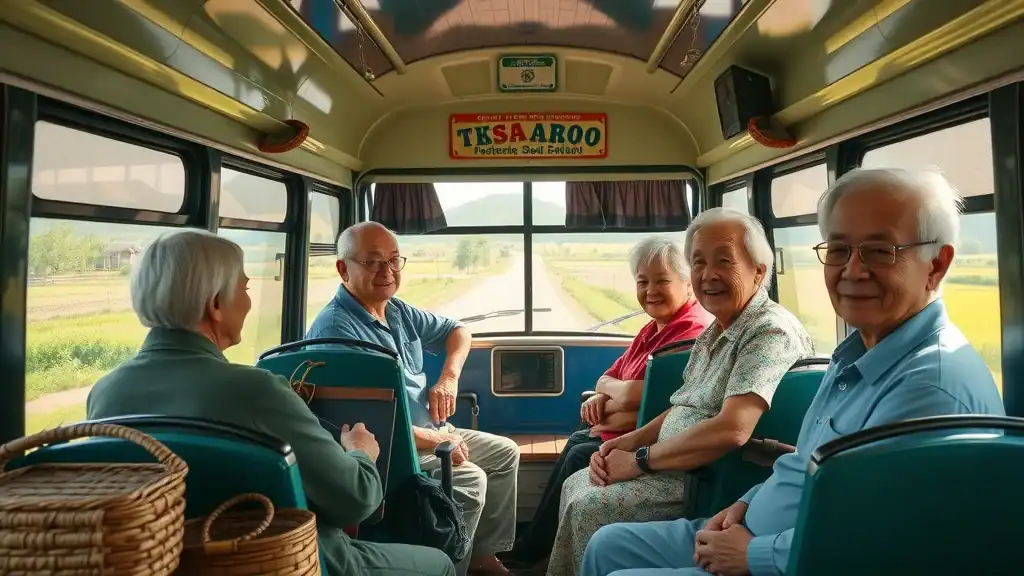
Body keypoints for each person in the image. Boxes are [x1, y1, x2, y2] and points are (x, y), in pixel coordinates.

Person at [579, 168, 1006, 576]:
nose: (853, 270)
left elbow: (877, 541)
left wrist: (753, 553)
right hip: (757, 528)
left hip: (790, 557)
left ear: (936, 265)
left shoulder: (927, 387)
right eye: (838, 250)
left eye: (880, 251)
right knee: (607, 545)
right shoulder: (856, 356)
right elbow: (802, 463)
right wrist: (745, 505)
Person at [86, 229, 455, 576]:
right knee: (439, 564)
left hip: (170, 562)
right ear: (216, 304)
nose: (248, 302)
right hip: (291, 560)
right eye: (245, 288)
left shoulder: (104, 393)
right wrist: (361, 452)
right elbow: (356, 501)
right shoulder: (256, 391)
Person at [544, 208, 815, 576]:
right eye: (699, 262)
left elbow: (732, 429)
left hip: (703, 477)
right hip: (673, 464)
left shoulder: (769, 331)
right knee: (578, 483)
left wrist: (639, 459)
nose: (708, 274)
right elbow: (684, 404)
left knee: (588, 504)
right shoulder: (717, 330)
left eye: (724, 261)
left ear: (758, 270)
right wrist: (628, 441)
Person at [306, 221, 520, 576]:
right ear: (344, 269)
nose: (387, 272)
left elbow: (458, 331)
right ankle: (450, 567)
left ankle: (481, 556)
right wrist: (434, 439)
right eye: (373, 262)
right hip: (389, 450)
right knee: (470, 481)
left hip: (428, 431)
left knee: (504, 453)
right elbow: (358, 422)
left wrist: (448, 378)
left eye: (394, 260)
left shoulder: (396, 310)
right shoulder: (336, 329)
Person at [504, 236, 713, 568]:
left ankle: (533, 553)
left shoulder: (691, 332)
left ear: (688, 284)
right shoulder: (652, 329)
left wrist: (613, 402)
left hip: (645, 442)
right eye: (642, 282)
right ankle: (534, 548)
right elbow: (608, 378)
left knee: (578, 452)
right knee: (576, 441)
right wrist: (609, 394)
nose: (650, 291)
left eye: (662, 281)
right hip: (617, 431)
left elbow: (645, 402)